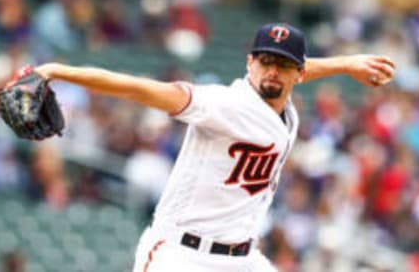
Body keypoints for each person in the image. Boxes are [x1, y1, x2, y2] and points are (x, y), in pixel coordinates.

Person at [33, 23, 395, 272]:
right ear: (249, 62)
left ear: (297, 74)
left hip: (241, 259)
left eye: (283, 65)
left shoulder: (284, 107)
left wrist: (346, 64)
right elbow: (139, 89)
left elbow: (298, 69)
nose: (272, 71)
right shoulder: (225, 104)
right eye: (265, 60)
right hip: (181, 256)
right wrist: (57, 71)